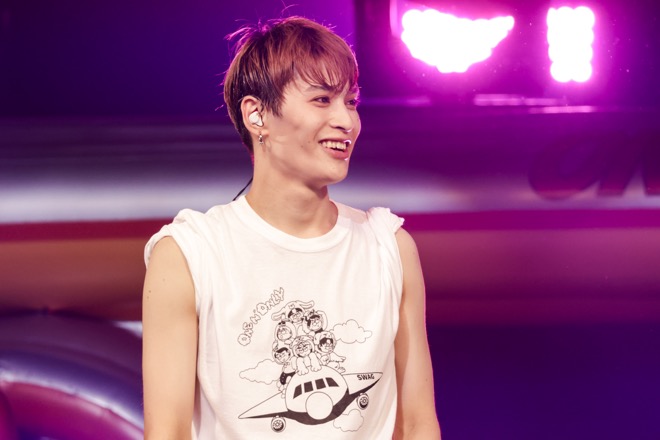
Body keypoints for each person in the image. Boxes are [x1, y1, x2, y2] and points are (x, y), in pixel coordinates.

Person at [142, 16, 441, 439]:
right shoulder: (191, 253)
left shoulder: (388, 246)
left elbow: (417, 423)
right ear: (257, 114)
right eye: (322, 100)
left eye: (351, 101)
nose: (346, 121)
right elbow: (167, 432)